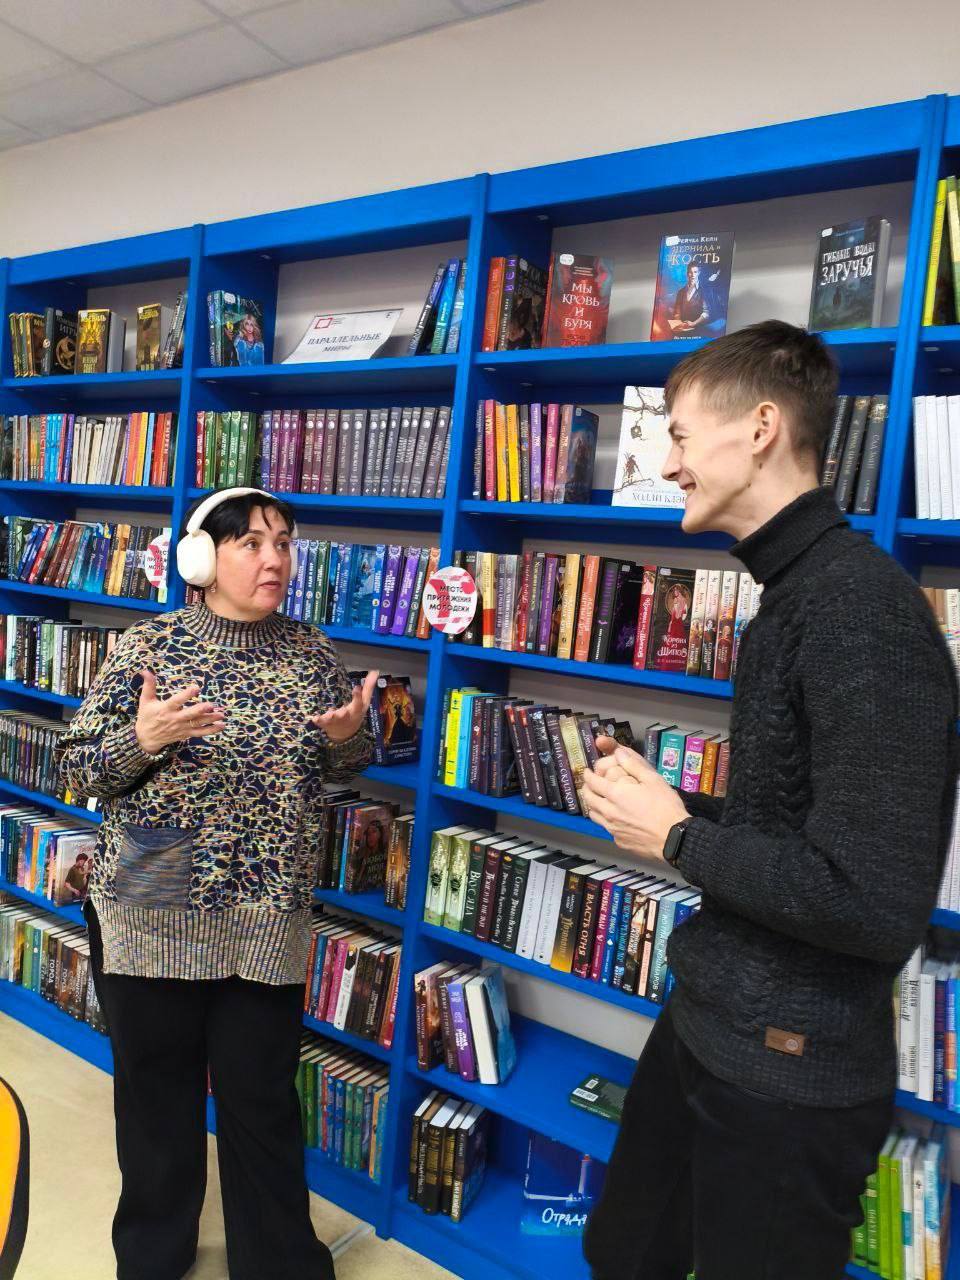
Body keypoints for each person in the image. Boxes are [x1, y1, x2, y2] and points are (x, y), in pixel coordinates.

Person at [581, 320, 959, 1280]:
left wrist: (677, 838)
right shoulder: (793, 594)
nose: (666, 463)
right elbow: (794, 834)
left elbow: (870, 901)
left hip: (789, 1075)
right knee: (622, 1252)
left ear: (758, 429)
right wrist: (673, 812)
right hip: (708, 1023)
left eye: (676, 434)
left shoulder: (860, 611)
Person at [56, 487, 375, 1280]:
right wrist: (141, 739)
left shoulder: (311, 652)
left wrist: (348, 740)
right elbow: (79, 767)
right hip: (152, 911)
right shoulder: (149, 646)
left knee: (262, 1102)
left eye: (284, 543)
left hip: (266, 918)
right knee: (157, 1106)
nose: (274, 560)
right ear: (202, 558)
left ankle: (279, 1264)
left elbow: (345, 766)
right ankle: (153, 1260)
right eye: (251, 543)